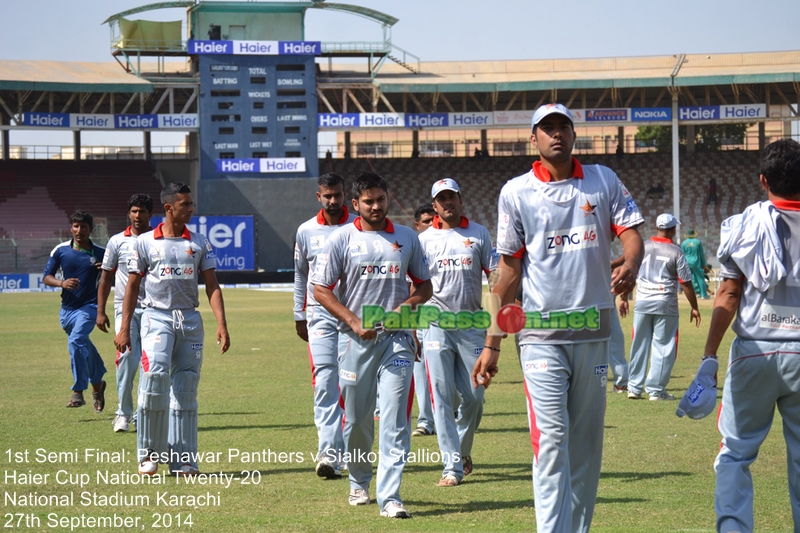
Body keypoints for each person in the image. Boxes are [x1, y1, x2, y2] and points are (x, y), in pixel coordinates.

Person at [472, 103, 644, 533]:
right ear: (534, 139)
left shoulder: (603, 179)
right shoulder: (516, 192)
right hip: (540, 337)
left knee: (586, 448)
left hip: (594, 332)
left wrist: (632, 262)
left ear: (573, 133)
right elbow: (508, 273)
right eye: (546, 129)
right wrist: (492, 344)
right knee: (551, 443)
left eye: (562, 127)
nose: (556, 135)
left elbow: (630, 233)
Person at [312, 172, 432, 519]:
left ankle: (390, 495)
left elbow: (425, 286)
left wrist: (405, 308)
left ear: (387, 198)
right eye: (369, 201)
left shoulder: (408, 238)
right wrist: (353, 321)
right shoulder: (341, 239)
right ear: (356, 205)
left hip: (396, 340)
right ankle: (359, 480)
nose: (376, 206)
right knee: (358, 420)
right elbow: (320, 289)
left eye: (381, 200)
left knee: (395, 418)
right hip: (353, 342)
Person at [701, 139, 800, 533]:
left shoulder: (746, 223)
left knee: (735, 455)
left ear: (762, 180)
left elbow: (728, 293)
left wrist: (709, 354)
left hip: (754, 352)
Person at [114, 182, 230, 477]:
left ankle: (184, 460)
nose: (191, 209)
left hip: (190, 322)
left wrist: (222, 324)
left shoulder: (200, 242)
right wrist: (125, 327)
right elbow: (132, 286)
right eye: (186, 204)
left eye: (191, 204)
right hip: (156, 319)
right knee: (153, 380)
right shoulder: (144, 244)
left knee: (186, 387)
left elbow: (212, 285)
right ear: (169, 208)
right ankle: (149, 454)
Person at [418, 178, 497, 486]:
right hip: (434, 325)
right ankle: (451, 468)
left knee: (476, 397)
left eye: (452, 197)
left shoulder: (478, 234)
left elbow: (495, 277)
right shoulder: (423, 240)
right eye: (441, 199)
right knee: (440, 396)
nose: (447, 202)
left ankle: (462, 451)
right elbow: (414, 285)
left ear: (461, 200)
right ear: (434, 206)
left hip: (472, 327)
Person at [293, 173, 356, 478]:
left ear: (346, 196)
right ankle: (328, 455)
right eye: (327, 196)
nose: (333, 201)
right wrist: (298, 313)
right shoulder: (306, 231)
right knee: (325, 382)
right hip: (319, 316)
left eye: (338, 195)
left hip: (353, 317)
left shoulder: (358, 226)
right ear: (318, 196)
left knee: (350, 385)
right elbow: (300, 275)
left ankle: (349, 451)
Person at [627, 213, 701, 401]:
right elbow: (685, 282)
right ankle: (656, 390)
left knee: (639, 345)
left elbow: (630, 271)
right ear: (672, 229)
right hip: (665, 303)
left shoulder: (642, 246)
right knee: (664, 345)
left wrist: (622, 297)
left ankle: (634, 388)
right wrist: (694, 307)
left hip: (642, 301)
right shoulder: (676, 251)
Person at [96, 194, 153, 433]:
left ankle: (142, 414)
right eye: (134, 211)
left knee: (151, 365)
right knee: (128, 360)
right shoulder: (116, 241)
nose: (137, 216)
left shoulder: (157, 240)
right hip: (124, 309)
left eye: (142, 211)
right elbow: (106, 276)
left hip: (153, 309)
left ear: (150, 214)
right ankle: (123, 413)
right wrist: (101, 311)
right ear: (128, 213)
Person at [42, 210, 107, 411]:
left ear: (91, 229)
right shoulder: (60, 250)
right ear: (71, 228)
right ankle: (98, 385)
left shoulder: (101, 253)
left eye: (84, 227)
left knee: (76, 341)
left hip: (89, 307)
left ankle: (78, 391)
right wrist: (62, 283)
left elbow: (113, 276)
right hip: (67, 310)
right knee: (83, 347)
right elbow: (46, 276)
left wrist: (105, 269)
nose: (79, 230)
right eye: (76, 226)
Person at [410, 202, 436, 438]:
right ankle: (426, 421)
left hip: (454, 317)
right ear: (417, 225)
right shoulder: (412, 246)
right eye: (426, 221)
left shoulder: (451, 238)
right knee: (420, 369)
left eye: (433, 219)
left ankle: (451, 412)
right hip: (423, 313)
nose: (430, 224)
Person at [681, 229, 709, 299]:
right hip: (696, 262)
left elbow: (682, 254)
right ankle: (703, 295)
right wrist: (703, 264)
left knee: (692, 279)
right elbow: (701, 254)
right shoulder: (698, 242)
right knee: (700, 278)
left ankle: (696, 293)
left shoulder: (684, 243)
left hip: (687, 262)